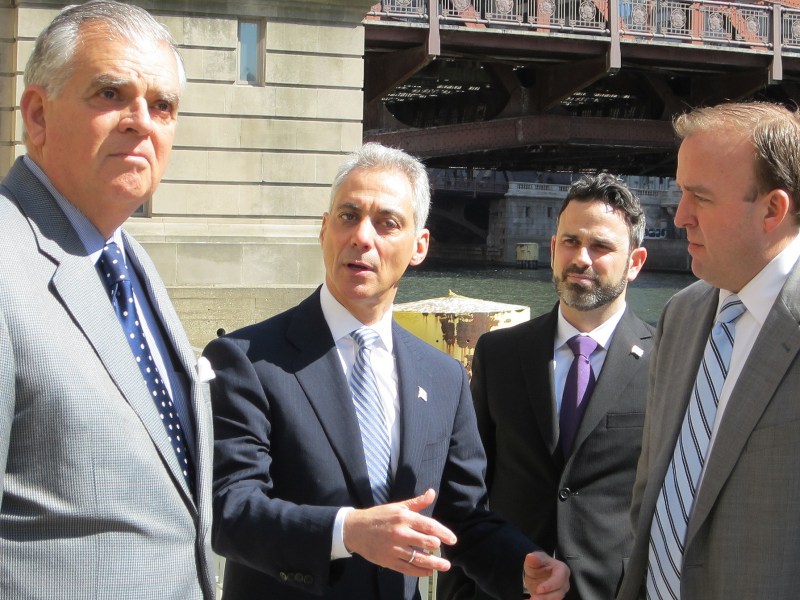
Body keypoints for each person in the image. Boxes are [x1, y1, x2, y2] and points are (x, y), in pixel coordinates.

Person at [204, 142, 571, 600]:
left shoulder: (444, 377)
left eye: (386, 223)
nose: (362, 237)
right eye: (348, 216)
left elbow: (462, 517)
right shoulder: (246, 359)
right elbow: (229, 509)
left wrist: (524, 565)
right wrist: (348, 532)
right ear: (324, 230)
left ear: (418, 247)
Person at [0, 2, 215, 598]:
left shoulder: (127, 260)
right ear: (38, 115)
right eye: (110, 94)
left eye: (163, 105)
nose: (141, 121)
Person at [438, 174, 653, 600]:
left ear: (636, 262)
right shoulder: (498, 354)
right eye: (570, 242)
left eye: (602, 247)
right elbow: (467, 491)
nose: (582, 258)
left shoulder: (669, 361)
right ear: (553, 250)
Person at [617, 101, 800, 599]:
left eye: (700, 197)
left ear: (772, 209)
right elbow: (650, 492)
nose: (679, 217)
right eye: (680, 193)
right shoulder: (683, 314)